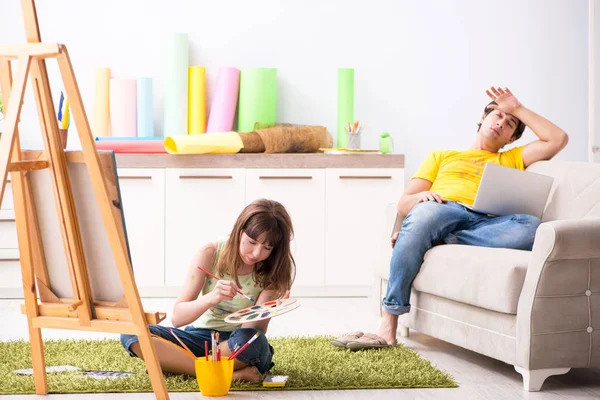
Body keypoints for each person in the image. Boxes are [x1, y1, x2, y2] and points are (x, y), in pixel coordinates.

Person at [348, 86, 569, 349]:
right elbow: (404, 204)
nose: (501, 122)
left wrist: (517, 108)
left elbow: (558, 139)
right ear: (483, 118)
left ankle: (436, 239)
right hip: (443, 208)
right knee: (425, 216)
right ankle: (389, 323)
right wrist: (422, 197)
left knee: (532, 226)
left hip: (487, 219)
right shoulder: (442, 156)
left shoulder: (511, 158)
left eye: (509, 123)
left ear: (511, 138)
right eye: (497, 115)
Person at [120, 199, 296, 382]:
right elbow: (178, 318)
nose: (256, 253)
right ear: (239, 232)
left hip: (239, 342)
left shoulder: (273, 269)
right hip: (200, 338)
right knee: (132, 332)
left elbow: (253, 330)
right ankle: (225, 374)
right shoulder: (210, 252)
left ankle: (179, 365)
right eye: (251, 242)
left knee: (254, 341)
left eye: (267, 247)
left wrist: (268, 310)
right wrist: (212, 298)